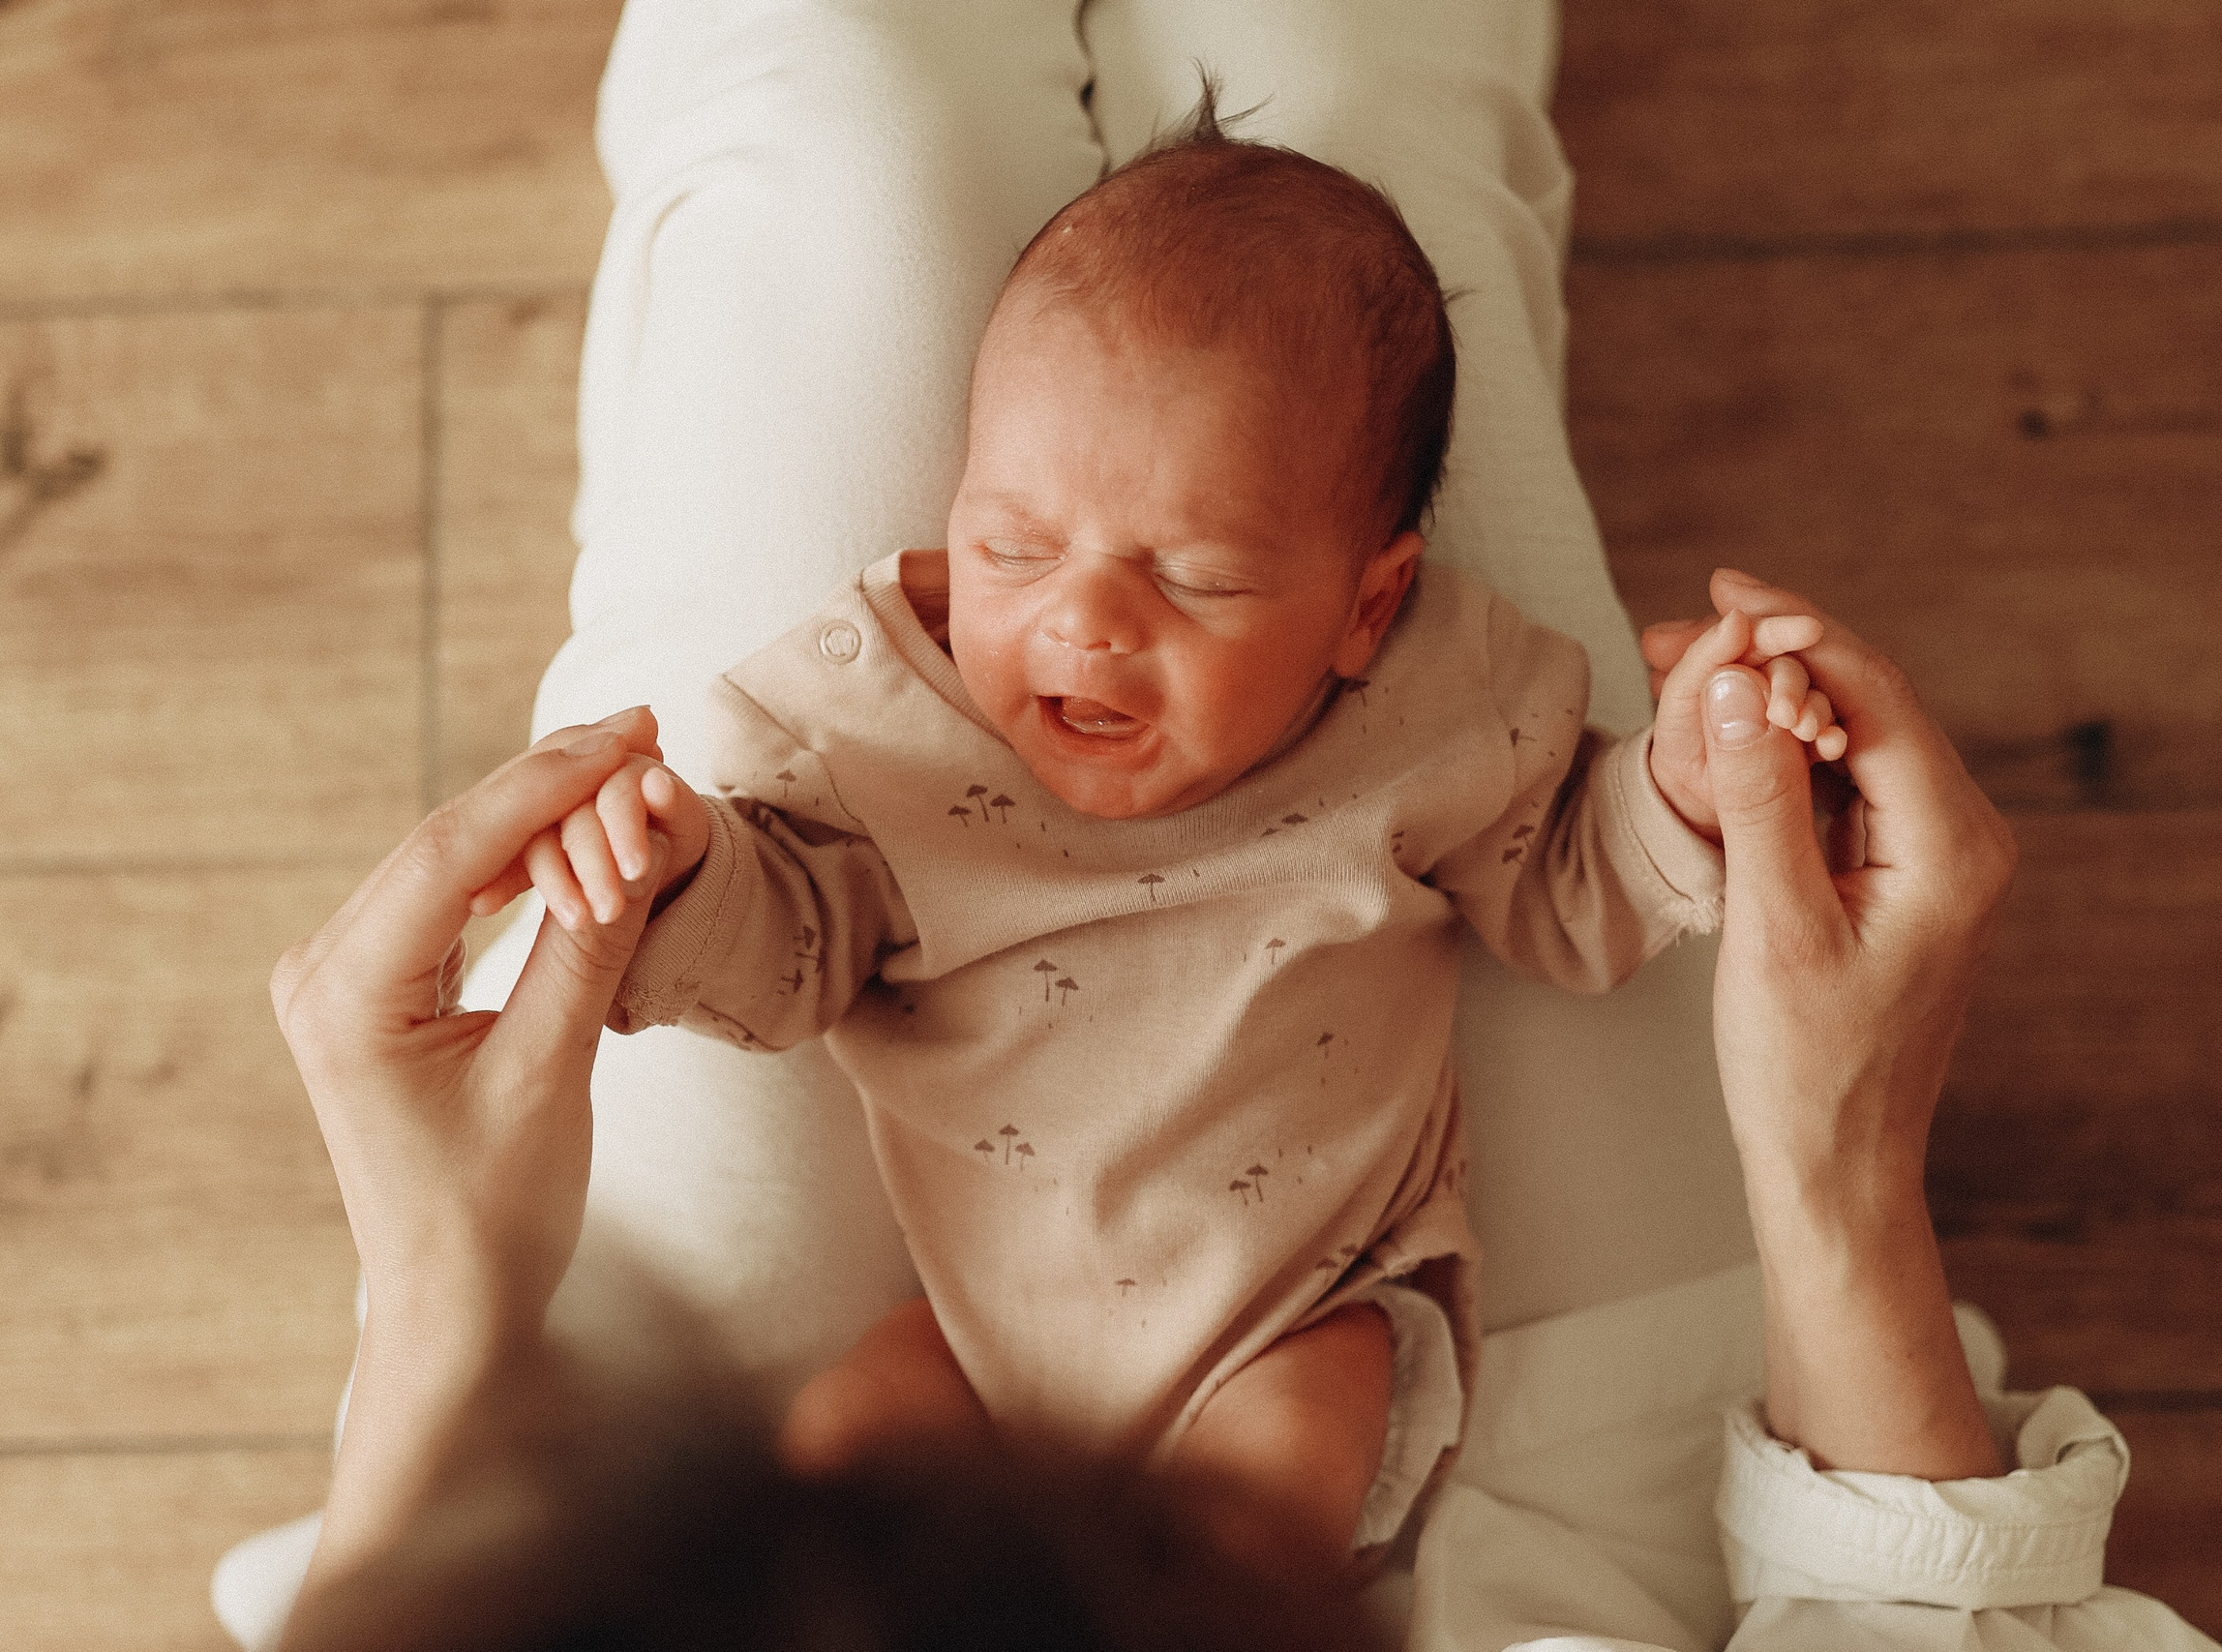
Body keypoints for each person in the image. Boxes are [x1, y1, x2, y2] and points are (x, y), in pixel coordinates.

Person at [263, 578, 2208, 1649]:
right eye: (1020, 547)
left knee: (843, 144)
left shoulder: (869, 718)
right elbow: (1562, 853)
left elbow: (787, 918)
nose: (1086, 613)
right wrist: (1832, 1143)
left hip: (932, 1356)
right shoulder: (1435, 700)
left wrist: (442, 1286)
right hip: (1403, 1341)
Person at [480, 83, 1846, 1576]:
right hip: (980, 1343)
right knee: (843, 1451)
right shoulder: (878, 729)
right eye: (1014, 547)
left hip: (1303, 1311)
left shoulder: (1439, 708)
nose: (1082, 622)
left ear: (1368, 604)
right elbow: (788, 947)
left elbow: (1571, 885)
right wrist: (678, 875)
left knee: (1261, 1514)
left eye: (1193, 578)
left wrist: (1688, 785)